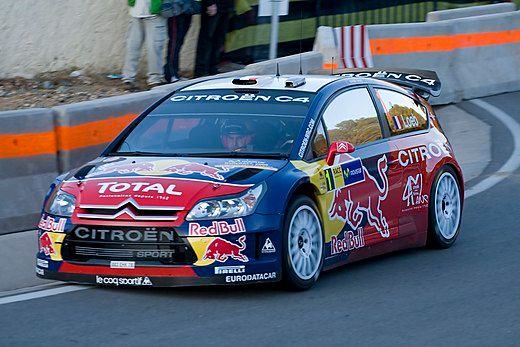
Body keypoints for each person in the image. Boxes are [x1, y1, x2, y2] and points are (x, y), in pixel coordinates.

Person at [122, 0, 167, 89]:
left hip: (137, 11)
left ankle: (128, 78)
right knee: (154, 47)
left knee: (133, 46)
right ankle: (155, 80)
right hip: (153, 13)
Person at [194, 0, 235, 77]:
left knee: (218, 40)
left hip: (226, 6)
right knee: (206, 40)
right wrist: (210, 3)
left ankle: (212, 67)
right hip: (213, 5)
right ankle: (201, 71)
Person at [163, 1, 201, 83]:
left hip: (187, 9)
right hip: (175, 9)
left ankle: (171, 72)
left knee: (179, 42)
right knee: (174, 43)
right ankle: (171, 74)